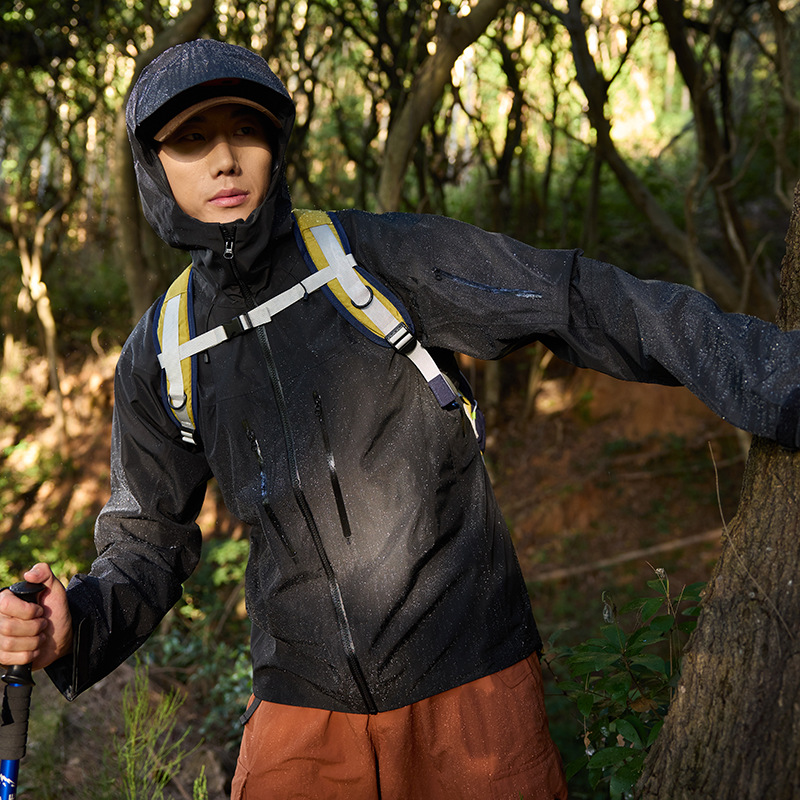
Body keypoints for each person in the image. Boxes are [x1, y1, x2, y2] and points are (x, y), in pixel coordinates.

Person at [1, 38, 799, 799]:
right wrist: (76, 626)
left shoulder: (376, 260)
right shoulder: (162, 350)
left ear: (276, 143)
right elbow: (147, 544)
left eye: (245, 128)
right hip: (300, 707)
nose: (223, 157)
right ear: (153, 166)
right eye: (191, 138)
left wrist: (778, 378)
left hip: (470, 678)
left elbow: (577, 298)